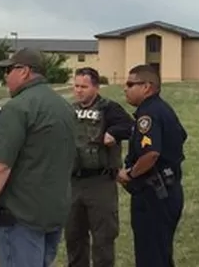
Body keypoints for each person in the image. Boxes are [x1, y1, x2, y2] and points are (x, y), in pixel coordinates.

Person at [0, 48, 76, 267]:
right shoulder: (64, 107)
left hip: (21, 216)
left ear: (24, 71)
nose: (5, 76)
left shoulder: (18, 108)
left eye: (9, 70)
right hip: (52, 212)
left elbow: (0, 166)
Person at [117, 64, 187, 267]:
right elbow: (181, 135)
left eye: (130, 84)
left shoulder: (148, 114)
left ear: (147, 87)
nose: (125, 88)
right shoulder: (163, 109)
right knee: (161, 254)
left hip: (153, 194)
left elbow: (151, 153)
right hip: (169, 189)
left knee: (151, 257)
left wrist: (130, 174)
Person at [66, 67, 134, 267]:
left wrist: (113, 132)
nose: (79, 91)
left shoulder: (109, 108)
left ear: (96, 87)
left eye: (84, 86)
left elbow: (130, 127)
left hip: (100, 182)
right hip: (73, 182)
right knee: (73, 235)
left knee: (103, 237)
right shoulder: (69, 110)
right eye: (76, 86)